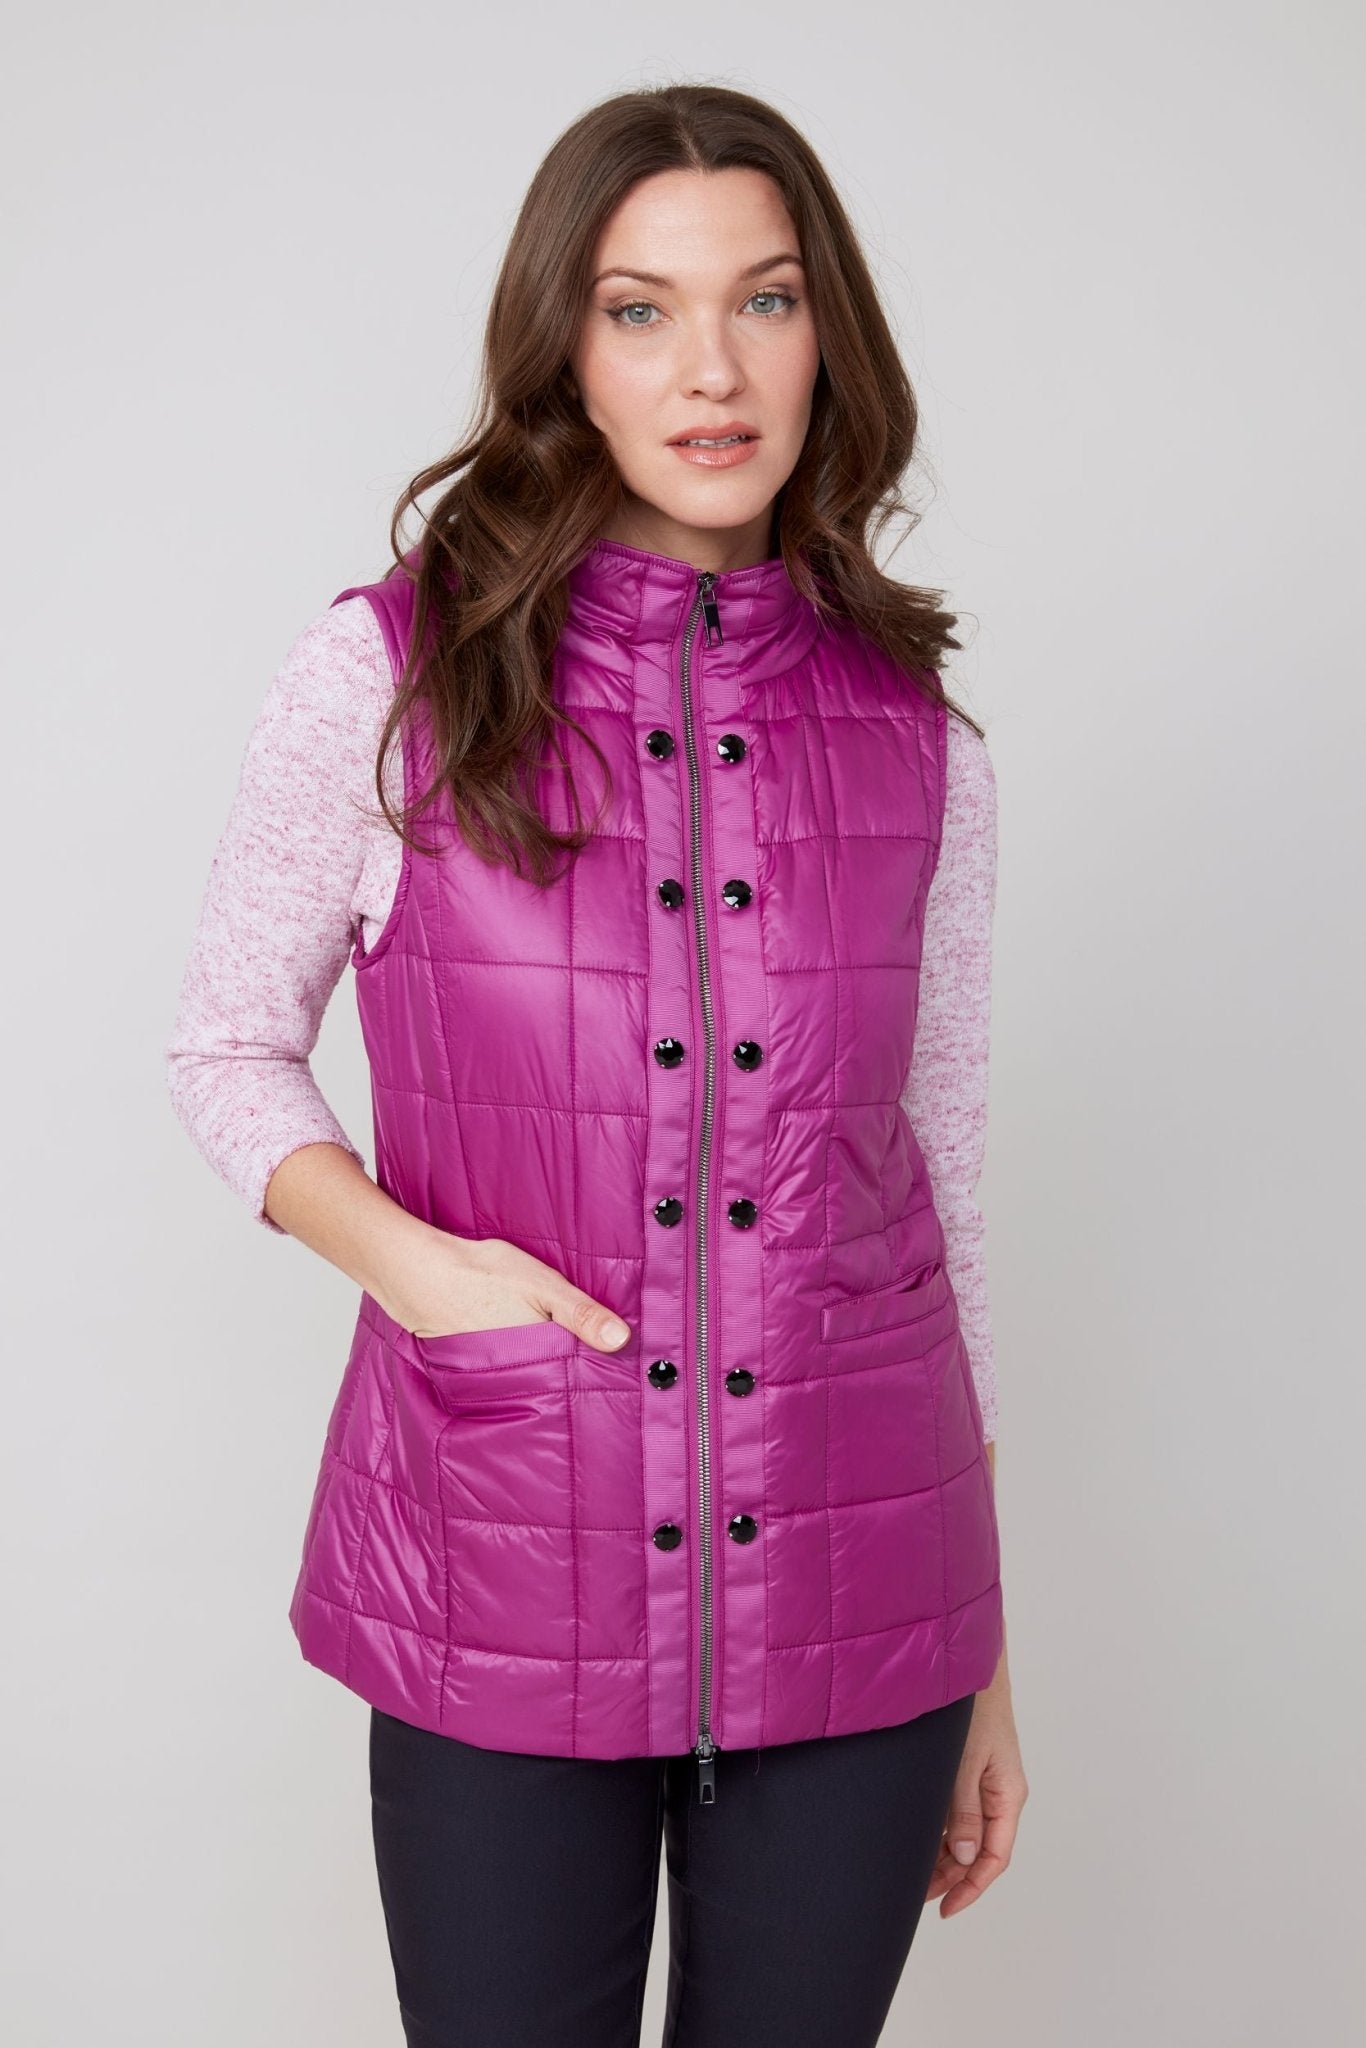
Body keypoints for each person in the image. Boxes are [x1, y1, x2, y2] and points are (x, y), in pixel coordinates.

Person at [166, 80, 1028, 2048]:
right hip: (496, 1564)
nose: (710, 368)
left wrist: (977, 1645)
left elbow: (940, 1186)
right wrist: (410, 1267)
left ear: (829, 334)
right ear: (565, 348)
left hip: (865, 1595)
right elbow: (224, 1044)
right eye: (641, 309)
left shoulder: (917, 735)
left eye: (765, 299)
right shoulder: (392, 672)